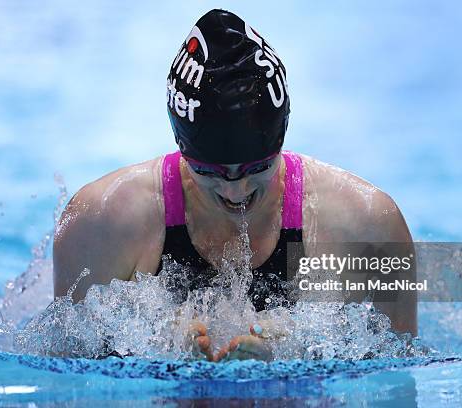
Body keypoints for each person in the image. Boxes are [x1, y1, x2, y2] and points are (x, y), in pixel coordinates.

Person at [53, 9, 416, 362]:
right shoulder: (101, 223)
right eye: (209, 172)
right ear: (182, 147)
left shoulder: (367, 223)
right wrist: (159, 355)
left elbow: (399, 371)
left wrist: (298, 358)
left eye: (258, 167)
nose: (236, 192)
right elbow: (70, 379)